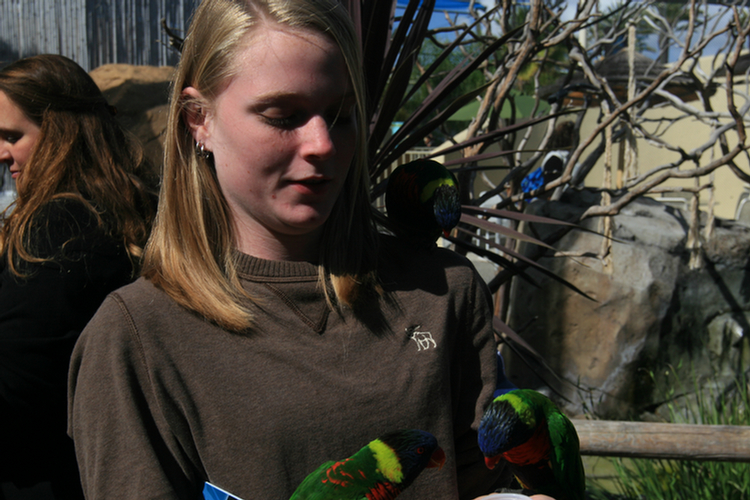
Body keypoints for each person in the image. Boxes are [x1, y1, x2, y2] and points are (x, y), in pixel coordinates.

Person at [67, 1, 510, 499]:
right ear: (199, 120)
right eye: (283, 115)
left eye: (341, 115)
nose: (322, 143)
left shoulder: (442, 289)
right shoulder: (136, 339)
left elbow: (486, 479)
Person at [0, 54, 156, 498]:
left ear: (60, 135)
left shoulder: (59, 228)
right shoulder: (141, 208)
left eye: (13, 136)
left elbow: (17, 389)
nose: (1, 153)